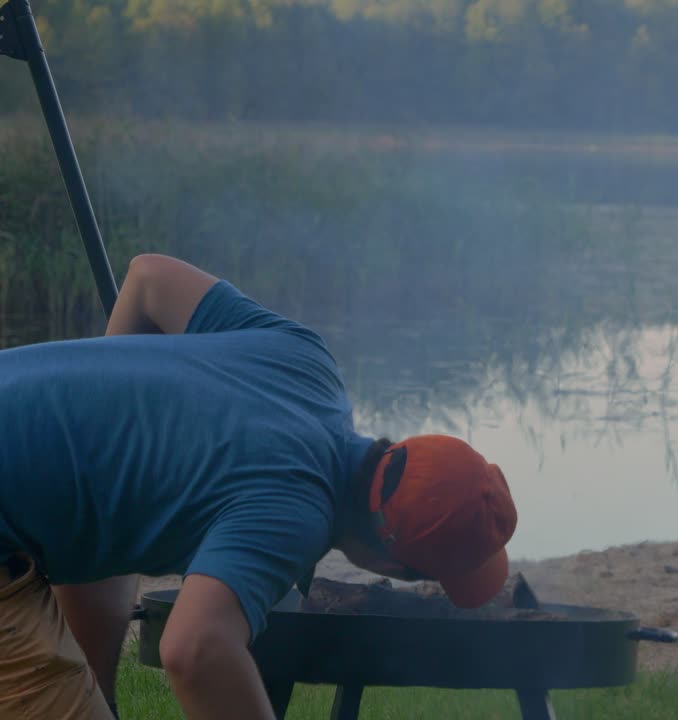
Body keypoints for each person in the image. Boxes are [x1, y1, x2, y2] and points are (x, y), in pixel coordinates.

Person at [0, 254, 518, 719]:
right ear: (389, 563)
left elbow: (150, 279)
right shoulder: (297, 511)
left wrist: (101, 420)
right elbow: (196, 648)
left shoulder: (307, 363)